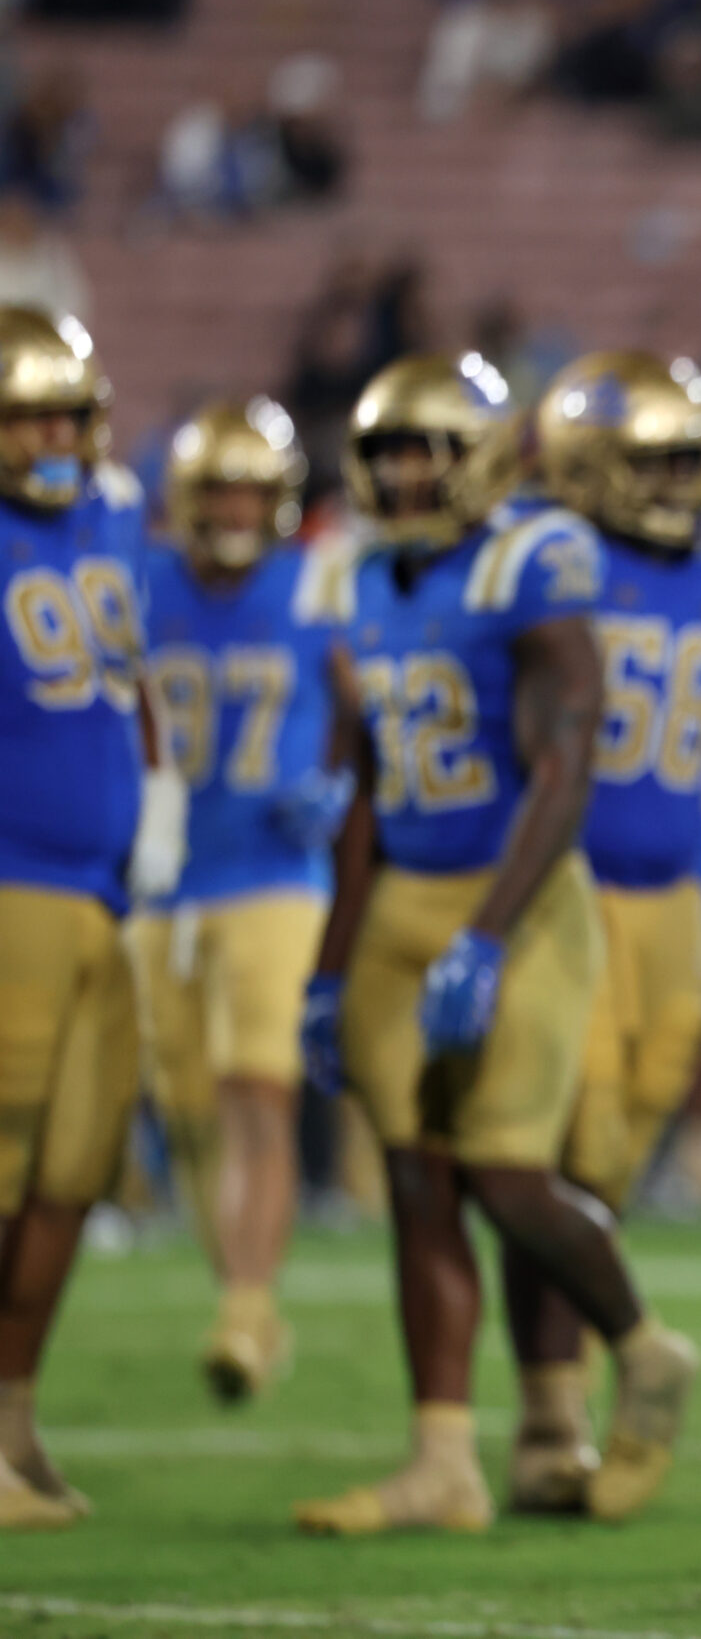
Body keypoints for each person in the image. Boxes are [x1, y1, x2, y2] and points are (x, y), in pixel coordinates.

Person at [294, 352, 700, 1536]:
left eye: (424, 449)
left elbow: (565, 769)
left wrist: (483, 935)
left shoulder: (533, 560)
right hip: (401, 905)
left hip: (515, 900)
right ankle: (442, 1463)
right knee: (417, 1183)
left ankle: (644, 1346)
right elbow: (361, 791)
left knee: (512, 1176)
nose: (404, 475)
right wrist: (328, 967)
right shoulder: (359, 579)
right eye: (384, 454)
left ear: (476, 454)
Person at [499, 350, 701, 1514]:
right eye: (659, 460)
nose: (687, 483)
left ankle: (565, 1407)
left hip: (676, 906)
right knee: (547, 1157)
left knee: (610, 1165)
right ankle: (552, 1418)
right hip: (563, 896)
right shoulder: (552, 558)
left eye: (697, 458)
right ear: (588, 465)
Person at [0, 305, 184, 1528]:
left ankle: (12, 1421)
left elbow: (133, 675)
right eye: (26, 418)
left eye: (66, 414)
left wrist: (159, 786)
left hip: (101, 893)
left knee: (69, 1175)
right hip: (11, 886)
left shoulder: (116, 511)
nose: (51, 439)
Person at [135, 397, 353, 1405]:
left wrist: (342, 780)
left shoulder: (315, 584)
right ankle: (244, 1298)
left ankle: (246, 1308)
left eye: (249, 490)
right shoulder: (138, 582)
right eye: (216, 488)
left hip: (275, 875)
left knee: (256, 1091)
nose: (231, 509)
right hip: (162, 888)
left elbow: (362, 703)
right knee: (187, 1115)